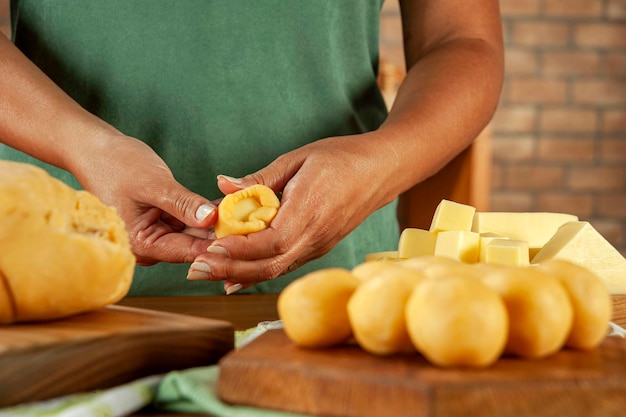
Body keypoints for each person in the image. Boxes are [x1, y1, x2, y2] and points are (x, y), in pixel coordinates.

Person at [0, 1, 504, 296]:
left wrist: (381, 164)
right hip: (46, 274)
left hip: (334, 289)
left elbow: (463, 40)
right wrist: (83, 146)